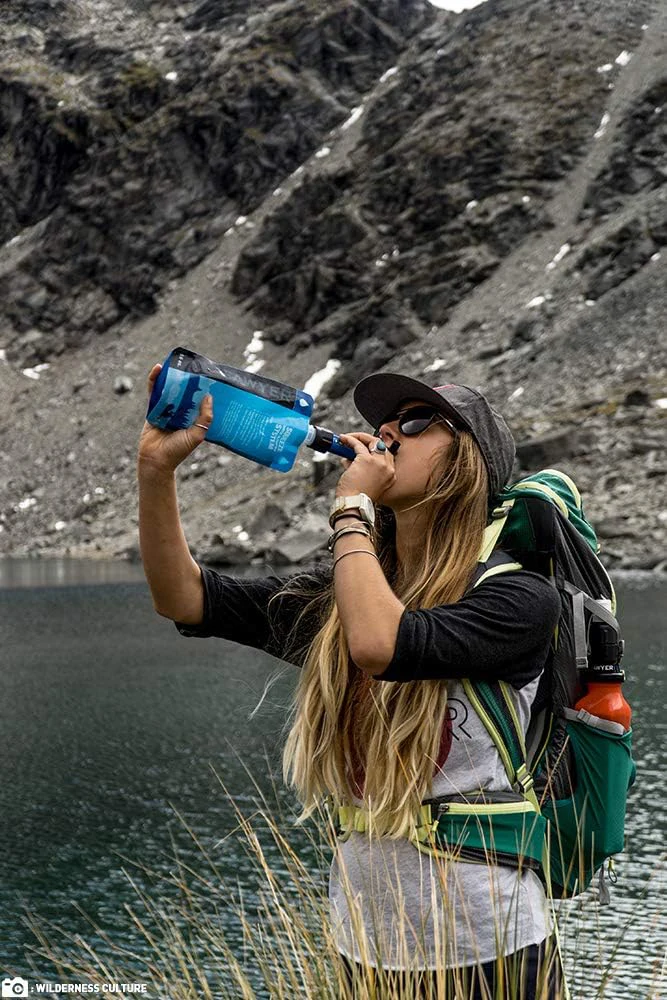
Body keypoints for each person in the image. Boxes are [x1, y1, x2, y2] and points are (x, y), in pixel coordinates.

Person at [138, 365, 565, 999]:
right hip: (366, 945)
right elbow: (187, 599)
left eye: (416, 421)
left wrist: (350, 512)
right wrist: (156, 473)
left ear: (468, 462)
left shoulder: (519, 598)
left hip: (493, 948)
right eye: (382, 422)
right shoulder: (344, 595)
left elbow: (378, 645)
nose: (388, 430)